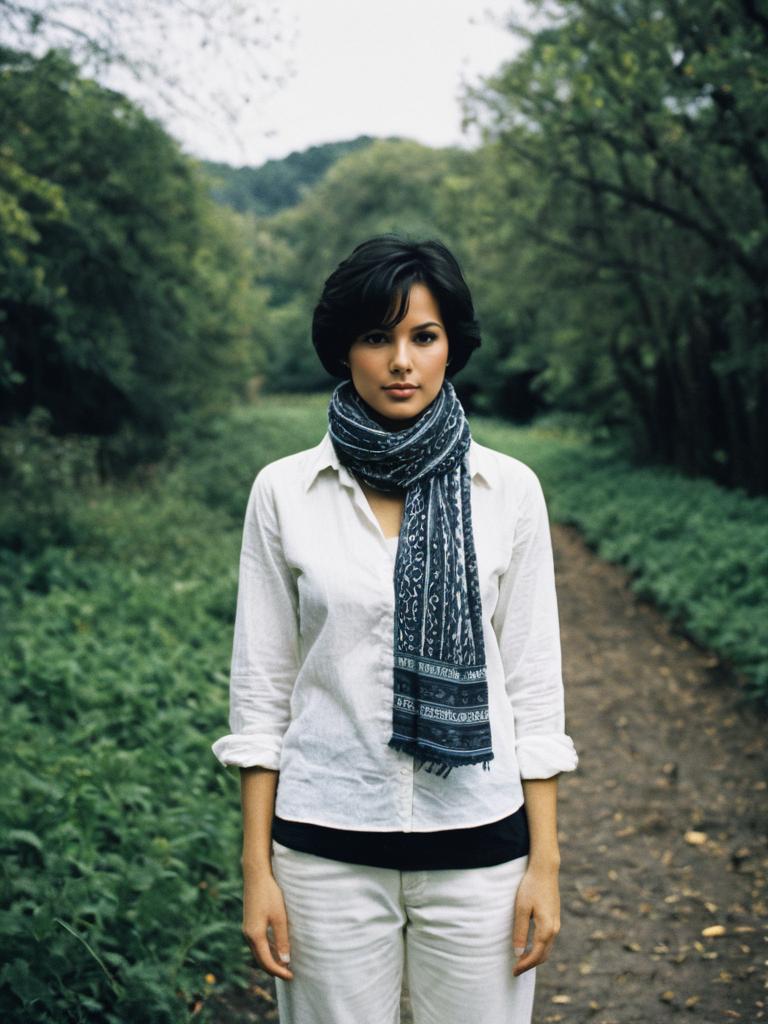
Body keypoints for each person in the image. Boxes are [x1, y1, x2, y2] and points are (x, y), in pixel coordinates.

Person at [211, 234, 579, 1024]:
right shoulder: (285, 491)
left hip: (479, 845)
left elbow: (535, 689)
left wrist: (543, 863)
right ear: (345, 350)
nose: (401, 361)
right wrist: (258, 870)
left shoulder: (507, 490)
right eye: (377, 337)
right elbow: (261, 693)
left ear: (452, 346)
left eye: (424, 335)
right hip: (323, 848)